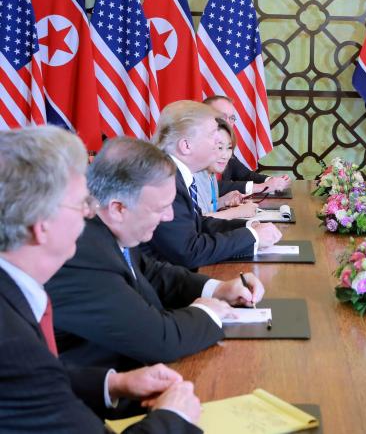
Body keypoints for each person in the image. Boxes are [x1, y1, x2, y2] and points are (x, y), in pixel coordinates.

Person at [0, 126, 201, 433]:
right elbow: (26, 372)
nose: (91, 213)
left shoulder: (14, 293)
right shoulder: (11, 342)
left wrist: (114, 383)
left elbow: (35, 382)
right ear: (42, 225)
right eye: (83, 204)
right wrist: (173, 418)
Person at [47, 137, 266, 372]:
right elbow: (160, 340)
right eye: (160, 208)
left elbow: (151, 273)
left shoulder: (109, 230)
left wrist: (219, 289)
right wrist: (208, 312)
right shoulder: (84, 255)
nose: (169, 217)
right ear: (118, 208)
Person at [146, 100, 282, 269]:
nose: (219, 143)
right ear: (186, 145)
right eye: (212, 135)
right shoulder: (163, 181)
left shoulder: (174, 173)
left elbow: (199, 224)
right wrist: (252, 236)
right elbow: (189, 251)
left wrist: (249, 226)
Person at [204, 95, 291, 195]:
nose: (228, 123)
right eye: (222, 117)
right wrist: (260, 187)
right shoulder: (198, 150)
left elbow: (245, 175)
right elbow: (208, 188)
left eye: (232, 118)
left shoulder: (226, 150)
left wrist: (273, 181)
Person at [193, 118, 257, 219]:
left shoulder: (211, 174)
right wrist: (237, 212)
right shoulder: (194, 176)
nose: (225, 155)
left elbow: (207, 209)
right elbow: (199, 221)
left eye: (229, 148)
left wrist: (223, 201)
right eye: (219, 148)